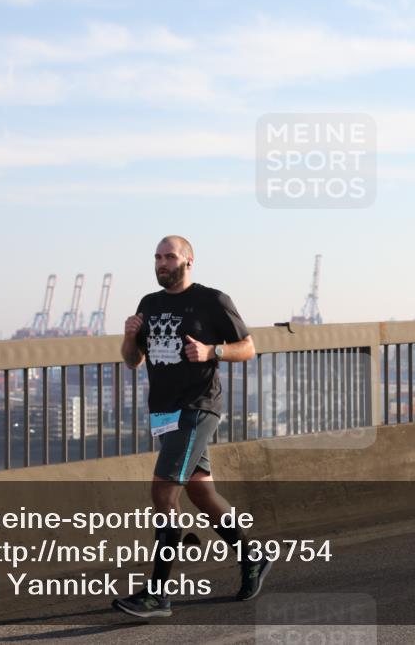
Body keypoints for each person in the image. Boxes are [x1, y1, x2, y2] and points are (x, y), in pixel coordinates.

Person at [113, 235, 272, 619]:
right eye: (157, 257)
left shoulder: (212, 301)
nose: (162, 263)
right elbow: (133, 361)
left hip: (197, 407)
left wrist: (212, 351)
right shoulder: (149, 305)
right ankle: (254, 557)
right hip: (164, 412)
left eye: (169, 256)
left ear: (189, 261)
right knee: (201, 493)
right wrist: (130, 336)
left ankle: (157, 595)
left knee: (163, 491)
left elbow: (248, 347)